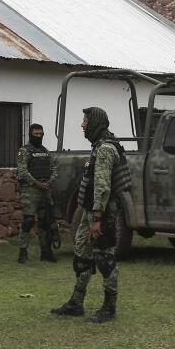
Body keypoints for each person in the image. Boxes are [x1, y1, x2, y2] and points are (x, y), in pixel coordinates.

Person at [51, 107, 126, 323]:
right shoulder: (99, 146)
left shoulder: (105, 149)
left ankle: (109, 307)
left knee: (105, 258)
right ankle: (76, 303)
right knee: (82, 255)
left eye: (85, 120)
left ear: (94, 123)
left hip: (102, 214)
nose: (82, 124)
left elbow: (102, 187)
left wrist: (97, 219)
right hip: (89, 212)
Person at [16, 123, 59, 264]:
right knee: (28, 221)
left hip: (45, 190)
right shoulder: (24, 151)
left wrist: (49, 182)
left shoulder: (46, 151)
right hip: (30, 191)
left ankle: (46, 252)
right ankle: (23, 252)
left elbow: (54, 169)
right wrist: (37, 184)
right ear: (30, 134)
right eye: (36, 134)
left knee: (45, 222)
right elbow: (22, 171)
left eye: (41, 134)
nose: (39, 136)